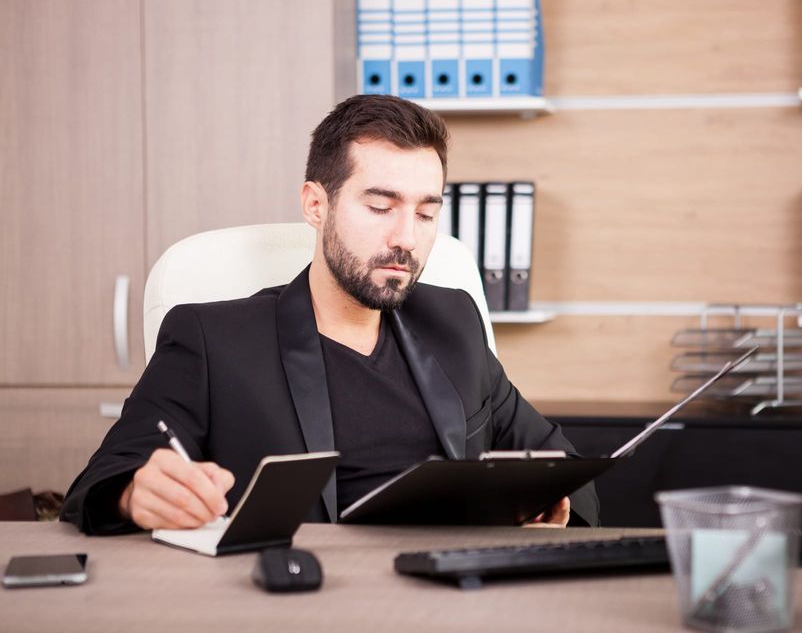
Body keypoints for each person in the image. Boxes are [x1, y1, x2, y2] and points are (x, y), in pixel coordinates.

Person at [61, 95, 599, 534]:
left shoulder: (452, 321)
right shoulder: (212, 338)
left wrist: (552, 505)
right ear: (316, 206)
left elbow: (563, 466)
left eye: (426, 213)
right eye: (381, 207)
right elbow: (97, 485)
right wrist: (134, 493)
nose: (405, 239)